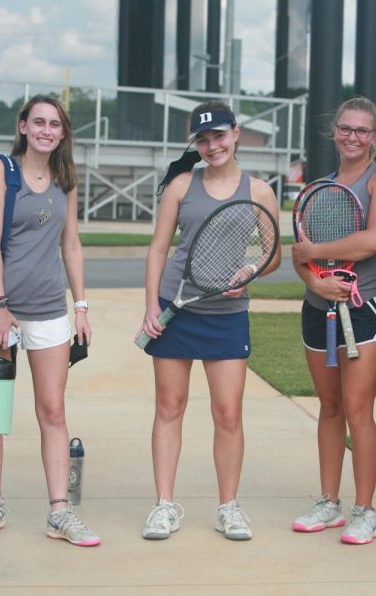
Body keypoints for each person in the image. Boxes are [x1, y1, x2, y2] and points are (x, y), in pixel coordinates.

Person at [136, 100, 281, 541]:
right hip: (176, 307)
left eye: (219, 135)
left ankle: (228, 507)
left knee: (228, 413)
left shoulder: (259, 190)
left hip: (227, 314)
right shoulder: (181, 185)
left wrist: (251, 271)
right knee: (169, 408)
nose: (212, 145)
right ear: (196, 144)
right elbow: (159, 249)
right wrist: (149, 306)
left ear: (236, 134)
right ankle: (164, 506)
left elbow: (274, 255)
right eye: (203, 139)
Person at [0, 95, 100, 547]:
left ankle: (59, 513)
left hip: (48, 310)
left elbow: (72, 245)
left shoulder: (66, 179)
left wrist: (80, 307)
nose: (46, 130)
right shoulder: (0, 171)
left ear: (63, 134)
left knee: (53, 410)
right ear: (22, 126)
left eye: (55, 124)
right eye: (38, 122)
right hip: (2, 311)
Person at [290, 97, 376, 545]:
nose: (353, 137)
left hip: (365, 306)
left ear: (374, 136)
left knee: (358, 410)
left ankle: (365, 510)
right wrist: (315, 283)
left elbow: (372, 241)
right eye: (346, 129)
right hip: (319, 308)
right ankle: (329, 503)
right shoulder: (321, 188)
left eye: (363, 130)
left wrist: (315, 256)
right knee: (330, 407)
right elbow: (298, 255)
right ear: (334, 131)